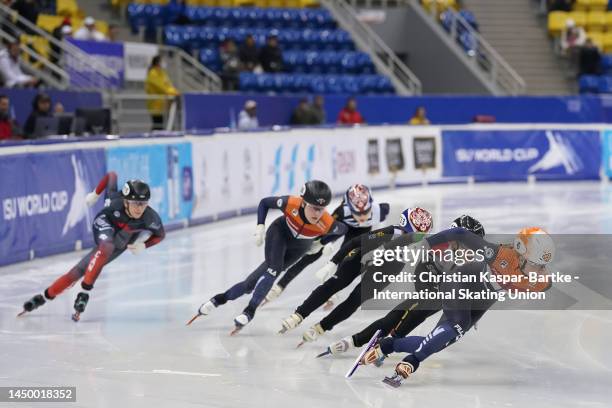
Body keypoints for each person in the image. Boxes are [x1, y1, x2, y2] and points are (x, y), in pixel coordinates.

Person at [358, 226, 554, 387]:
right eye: (534, 264)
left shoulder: (541, 282)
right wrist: (425, 243)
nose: (539, 270)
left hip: (480, 301)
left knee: (440, 342)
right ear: (518, 254)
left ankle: (387, 346)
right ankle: (411, 361)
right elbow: (460, 233)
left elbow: (540, 285)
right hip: (460, 281)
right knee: (457, 324)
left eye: (542, 266)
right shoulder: (499, 255)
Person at [188, 180, 348, 334]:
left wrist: (323, 242)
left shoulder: (327, 222)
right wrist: (260, 225)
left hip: (300, 247)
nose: (318, 213)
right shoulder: (290, 203)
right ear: (304, 202)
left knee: (249, 284)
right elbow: (264, 203)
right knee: (273, 269)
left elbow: (343, 230)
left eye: (322, 209)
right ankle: (249, 311)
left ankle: (218, 299)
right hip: (280, 233)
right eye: (314, 208)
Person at [321, 215, 485, 357]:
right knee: (406, 312)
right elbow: (402, 243)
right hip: (427, 274)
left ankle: (385, 344)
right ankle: (354, 341)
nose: (471, 250)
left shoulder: (474, 260)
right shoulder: (437, 244)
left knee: (417, 316)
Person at [19, 173, 165, 321]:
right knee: (106, 246)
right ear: (126, 201)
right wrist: (95, 194)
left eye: (144, 204)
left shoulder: (150, 217)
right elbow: (111, 176)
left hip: (119, 244)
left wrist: (144, 245)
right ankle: (84, 292)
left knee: (78, 271)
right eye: (136, 204)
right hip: (104, 224)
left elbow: (160, 235)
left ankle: (44, 296)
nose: (140, 209)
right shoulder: (114, 201)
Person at [279, 207, 433, 343]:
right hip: (364, 256)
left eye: (419, 237)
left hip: (387, 269)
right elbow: (354, 243)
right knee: (335, 284)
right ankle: (299, 315)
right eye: (409, 233)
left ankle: (321, 327)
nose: (412, 239)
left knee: (355, 299)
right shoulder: (391, 232)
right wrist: (333, 262)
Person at [264, 184, 390, 305]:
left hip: (361, 232)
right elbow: (326, 229)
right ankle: (280, 286)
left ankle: (332, 291)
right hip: (343, 225)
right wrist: (326, 242)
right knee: (311, 255)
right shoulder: (341, 212)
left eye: (366, 212)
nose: (362, 217)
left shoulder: (381, 211)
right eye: (357, 213)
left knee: (346, 258)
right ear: (348, 207)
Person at [145, 55, 179, 131]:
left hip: (162, 104)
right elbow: (161, 87)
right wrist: (173, 92)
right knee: (157, 124)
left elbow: (168, 84)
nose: (164, 63)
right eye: (162, 61)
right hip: (155, 104)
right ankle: (153, 140)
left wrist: (174, 91)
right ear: (157, 62)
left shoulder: (162, 73)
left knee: (161, 124)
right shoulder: (152, 73)